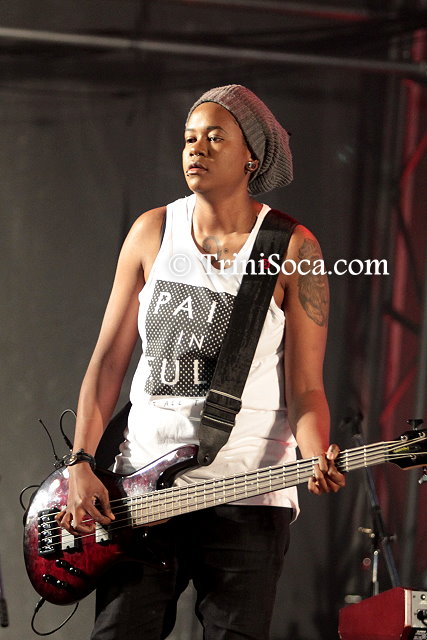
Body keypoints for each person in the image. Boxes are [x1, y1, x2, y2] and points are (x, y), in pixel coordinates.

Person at [56, 84, 345, 639]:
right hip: (141, 493)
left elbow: (306, 387)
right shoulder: (153, 231)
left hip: (247, 494)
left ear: (251, 157)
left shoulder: (293, 247)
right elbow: (108, 362)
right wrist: (81, 462)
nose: (197, 149)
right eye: (190, 138)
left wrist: (315, 455)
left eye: (216, 137)